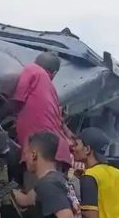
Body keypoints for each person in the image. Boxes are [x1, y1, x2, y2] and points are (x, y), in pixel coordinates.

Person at [6, 52, 75, 189]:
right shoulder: (51, 88)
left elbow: (17, 100)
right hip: (56, 151)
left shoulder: (33, 70)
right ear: (54, 73)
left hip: (41, 154)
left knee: (38, 199)